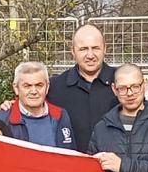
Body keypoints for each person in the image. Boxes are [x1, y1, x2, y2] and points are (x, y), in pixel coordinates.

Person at [49, 23, 119, 152]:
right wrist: (5, 113)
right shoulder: (54, 87)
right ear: (73, 51)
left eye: (96, 48)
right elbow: (29, 108)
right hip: (72, 168)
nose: (90, 55)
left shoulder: (123, 83)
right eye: (83, 49)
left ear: (105, 49)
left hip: (116, 169)